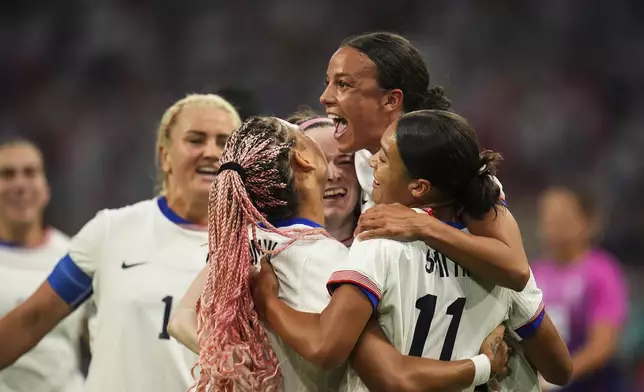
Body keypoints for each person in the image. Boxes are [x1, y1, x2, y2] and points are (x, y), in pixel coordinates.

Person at [168, 116, 511, 392]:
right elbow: (391, 375)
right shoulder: (330, 260)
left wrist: (250, 368)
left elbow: (182, 321)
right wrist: (484, 365)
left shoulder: (237, 248)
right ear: (302, 159)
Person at [252, 110, 572, 392]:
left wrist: (267, 301)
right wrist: (488, 363)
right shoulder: (496, 262)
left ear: (419, 187)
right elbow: (559, 370)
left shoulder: (378, 241)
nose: (372, 160)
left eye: (384, 156)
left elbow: (329, 347)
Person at [0, 94, 241, 392]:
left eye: (224, 142)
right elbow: (30, 320)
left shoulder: (253, 250)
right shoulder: (111, 231)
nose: (210, 152)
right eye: (195, 140)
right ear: (165, 155)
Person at [320, 31, 530, 291]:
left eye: (343, 84)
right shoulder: (357, 161)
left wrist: (423, 225)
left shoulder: (447, 163)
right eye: (329, 82)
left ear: (391, 100)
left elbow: (516, 270)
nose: (325, 97)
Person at [0, 137, 85, 392]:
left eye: (30, 172)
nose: (20, 185)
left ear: (45, 187)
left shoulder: (75, 256)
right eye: (7, 174)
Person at [533, 186, 628, 392]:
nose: (553, 224)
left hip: (593, 385)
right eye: (547, 216)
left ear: (588, 222)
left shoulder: (602, 272)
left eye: (562, 216)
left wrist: (557, 378)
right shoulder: (531, 274)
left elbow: (603, 345)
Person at [287, 109, 360, 246]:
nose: (332, 175)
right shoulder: (266, 251)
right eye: (316, 163)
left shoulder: (386, 245)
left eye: (345, 161)